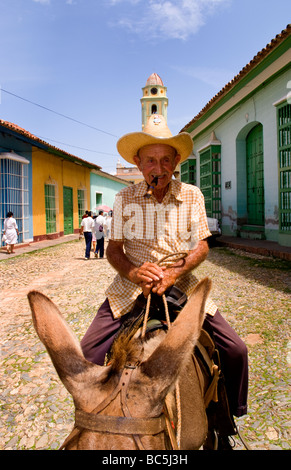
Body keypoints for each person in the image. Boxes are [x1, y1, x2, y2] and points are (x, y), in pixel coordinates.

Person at [81, 115, 248, 444]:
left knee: (236, 350)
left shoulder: (192, 195)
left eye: (166, 159)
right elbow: (114, 249)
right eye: (151, 160)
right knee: (87, 351)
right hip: (131, 288)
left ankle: (225, 418)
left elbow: (202, 245)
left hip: (181, 284)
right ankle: (95, 422)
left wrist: (174, 271)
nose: (159, 166)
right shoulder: (125, 199)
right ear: (138, 163)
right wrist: (133, 271)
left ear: (175, 162)